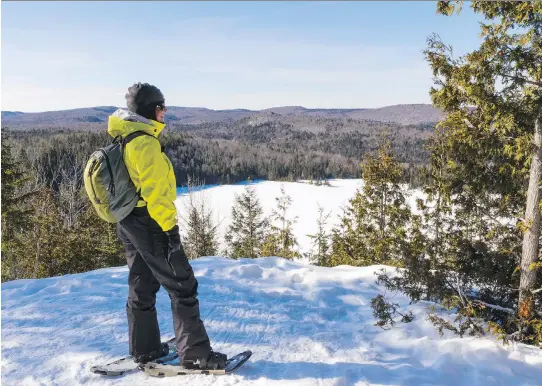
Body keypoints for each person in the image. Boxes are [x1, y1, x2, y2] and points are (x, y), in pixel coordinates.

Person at [107, 82, 227, 370]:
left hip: (128, 221)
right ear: (150, 110)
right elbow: (157, 194)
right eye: (161, 106)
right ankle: (196, 355)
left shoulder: (124, 137)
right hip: (150, 223)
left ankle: (144, 349)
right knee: (182, 285)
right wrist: (171, 233)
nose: (165, 111)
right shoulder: (145, 143)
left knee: (142, 284)